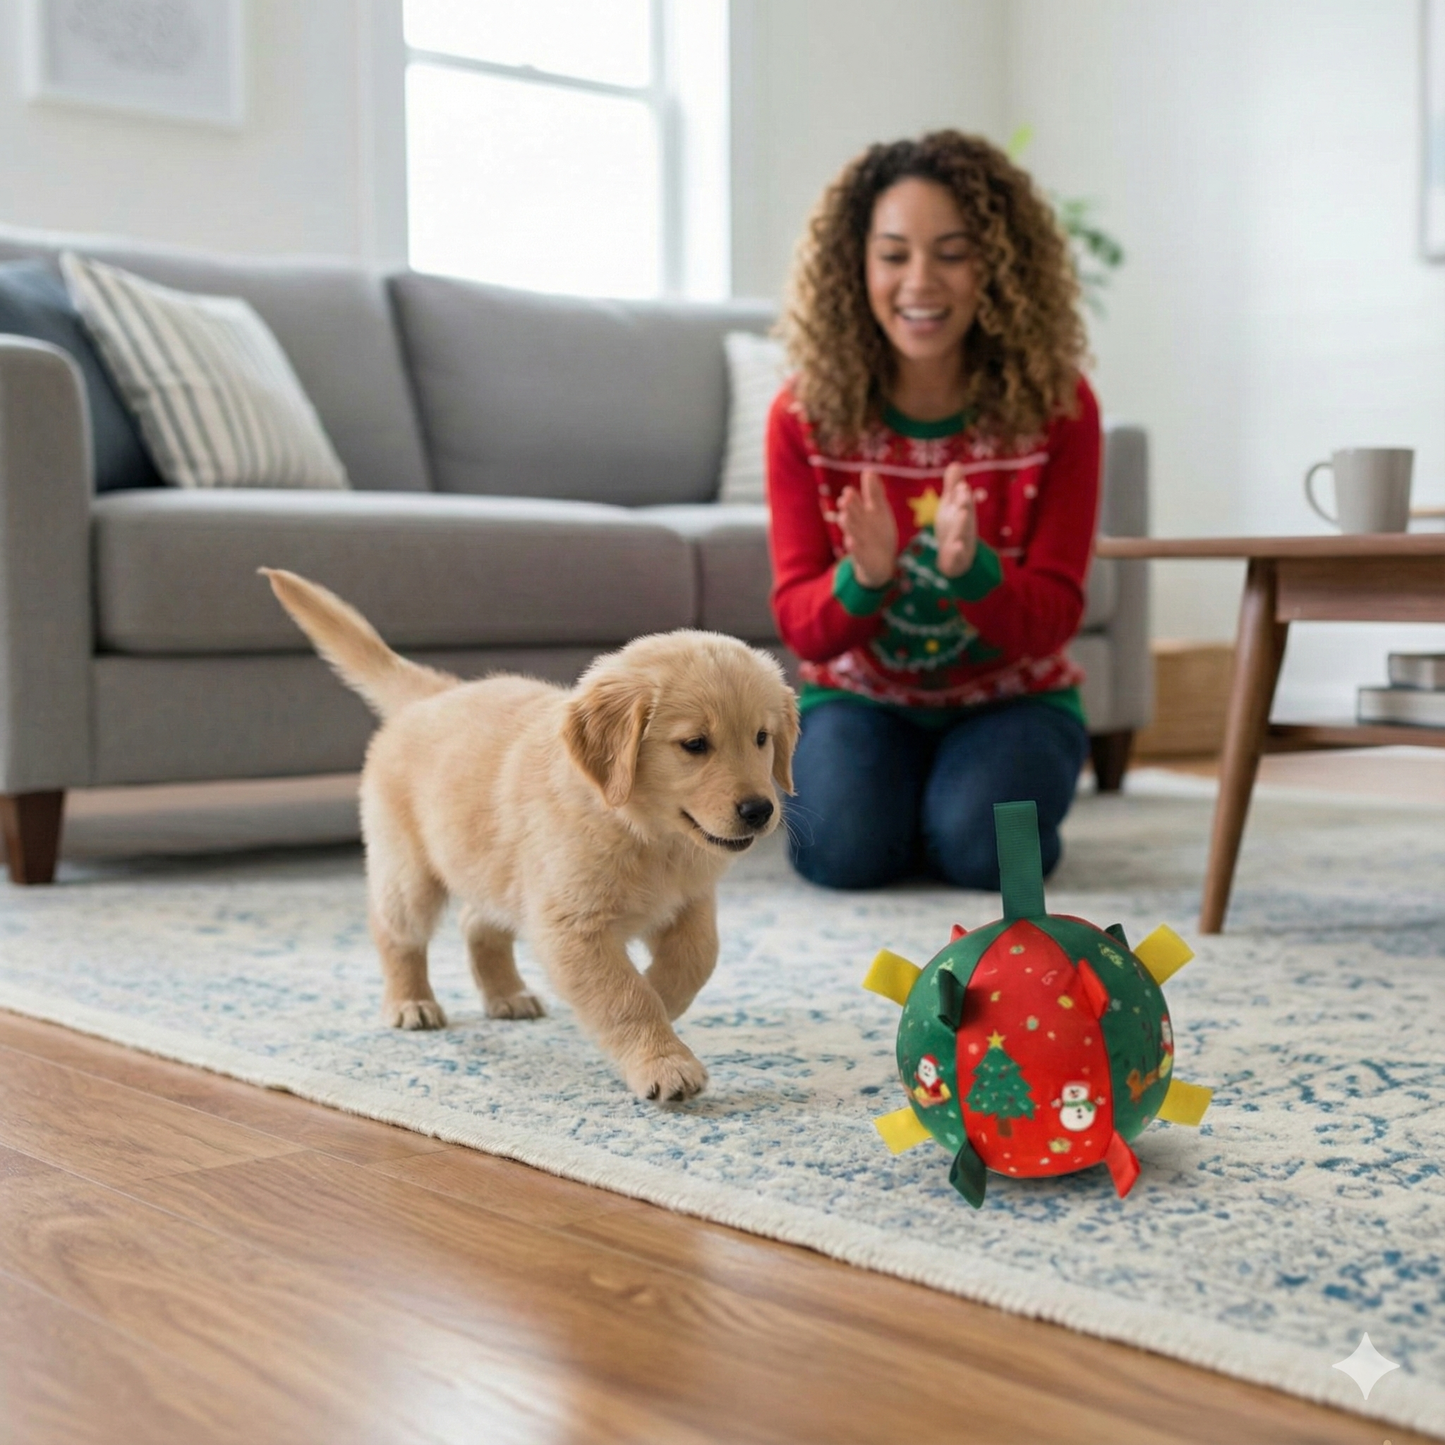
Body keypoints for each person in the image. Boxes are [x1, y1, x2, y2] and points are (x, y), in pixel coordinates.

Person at [766, 130, 1101, 891]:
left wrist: (971, 571)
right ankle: (913, 803)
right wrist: (867, 575)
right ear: (855, 268)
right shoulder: (802, 415)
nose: (920, 281)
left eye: (952, 252)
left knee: (986, 857)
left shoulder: (1060, 408)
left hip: (1015, 701)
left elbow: (1051, 614)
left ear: (999, 265)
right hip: (856, 700)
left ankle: (954, 805)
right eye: (893, 254)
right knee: (840, 854)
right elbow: (799, 619)